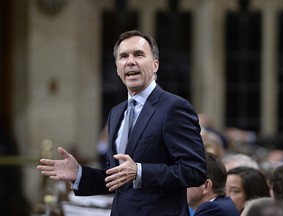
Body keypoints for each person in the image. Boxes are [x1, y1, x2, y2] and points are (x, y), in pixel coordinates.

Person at [37, 30, 207, 216]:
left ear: (155, 64)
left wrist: (140, 171)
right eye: (124, 56)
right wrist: (79, 174)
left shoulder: (174, 108)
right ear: (118, 68)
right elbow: (117, 178)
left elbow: (194, 170)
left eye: (139, 54)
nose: (130, 61)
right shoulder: (116, 113)